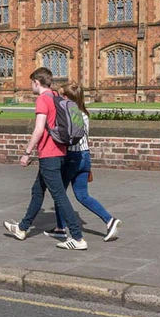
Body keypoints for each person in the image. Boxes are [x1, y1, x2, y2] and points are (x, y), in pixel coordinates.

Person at [3, 67, 87, 250]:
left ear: (36, 82)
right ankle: (22, 228)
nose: (31, 86)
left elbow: (39, 129)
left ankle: (78, 238)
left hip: (49, 154)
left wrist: (27, 153)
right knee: (38, 191)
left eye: (31, 82)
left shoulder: (43, 99)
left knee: (59, 195)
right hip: (61, 152)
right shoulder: (57, 96)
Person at [50, 83, 121, 242]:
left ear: (67, 98)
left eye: (62, 95)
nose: (60, 98)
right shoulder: (84, 114)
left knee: (59, 192)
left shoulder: (72, 114)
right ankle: (109, 220)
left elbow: (67, 136)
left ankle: (61, 228)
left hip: (73, 157)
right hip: (85, 156)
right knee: (82, 195)